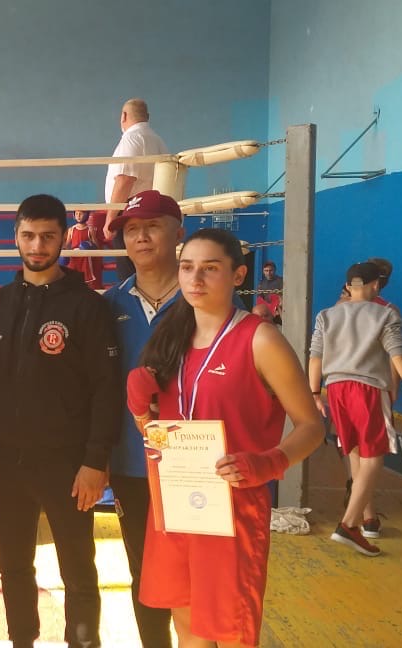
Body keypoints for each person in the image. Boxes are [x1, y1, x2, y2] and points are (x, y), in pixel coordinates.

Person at [126, 227, 325, 648]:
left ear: (237, 275)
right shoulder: (170, 337)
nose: (195, 279)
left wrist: (269, 462)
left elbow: (311, 426)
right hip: (176, 502)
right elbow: (159, 431)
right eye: (187, 268)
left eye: (210, 268)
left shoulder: (260, 339)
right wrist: (140, 408)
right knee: (187, 629)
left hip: (232, 508)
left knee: (230, 632)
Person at [0, 194, 120, 648]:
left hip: (68, 465)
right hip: (8, 462)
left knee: (77, 569)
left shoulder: (87, 307)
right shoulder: (1, 302)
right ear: (16, 236)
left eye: (48, 236)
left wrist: (95, 460)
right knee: (14, 566)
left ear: (63, 239)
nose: (37, 246)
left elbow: (107, 388)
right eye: (29, 235)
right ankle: (22, 641)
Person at [101, 188, 185, 647]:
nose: (141, 237)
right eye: (132, 230)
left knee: (197, 571)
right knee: (144, 569)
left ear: (178, 232)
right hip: (131, 464)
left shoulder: (203, 299)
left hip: (194, 463)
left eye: (152, 226)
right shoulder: (108, 304)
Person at [309, 262, 402, 556]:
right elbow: (398, 356)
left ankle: (366, 518)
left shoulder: (326, 315)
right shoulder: (386, 314)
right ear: (376, 285)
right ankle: (349, 524)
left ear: (348, 286)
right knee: (374, 456)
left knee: (353, 452)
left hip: (335, 389)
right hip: (367, 390)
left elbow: (315, 357)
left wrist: (314, 393)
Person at [103, 98, 169, 282]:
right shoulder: (158, 141)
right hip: (153, 210)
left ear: (123, 116)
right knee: (148, 269)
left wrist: (110, 217)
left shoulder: (131, 139)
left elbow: (125, 179)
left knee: (128, 271)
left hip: (129, 211)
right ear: (147, 116)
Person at [64, 210, 104, 289]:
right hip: (74, 257)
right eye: (76, 214)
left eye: (81, 214)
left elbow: (96, 246)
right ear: (74, 215)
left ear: (86, 215)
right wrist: (64, 253)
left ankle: (86, 293)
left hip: (85, 258)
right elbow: (67, 245)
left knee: (87, 279)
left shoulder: (90, 229)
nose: (78, 216)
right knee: (72, 277)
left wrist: (89, 245)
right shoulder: (71, 229)